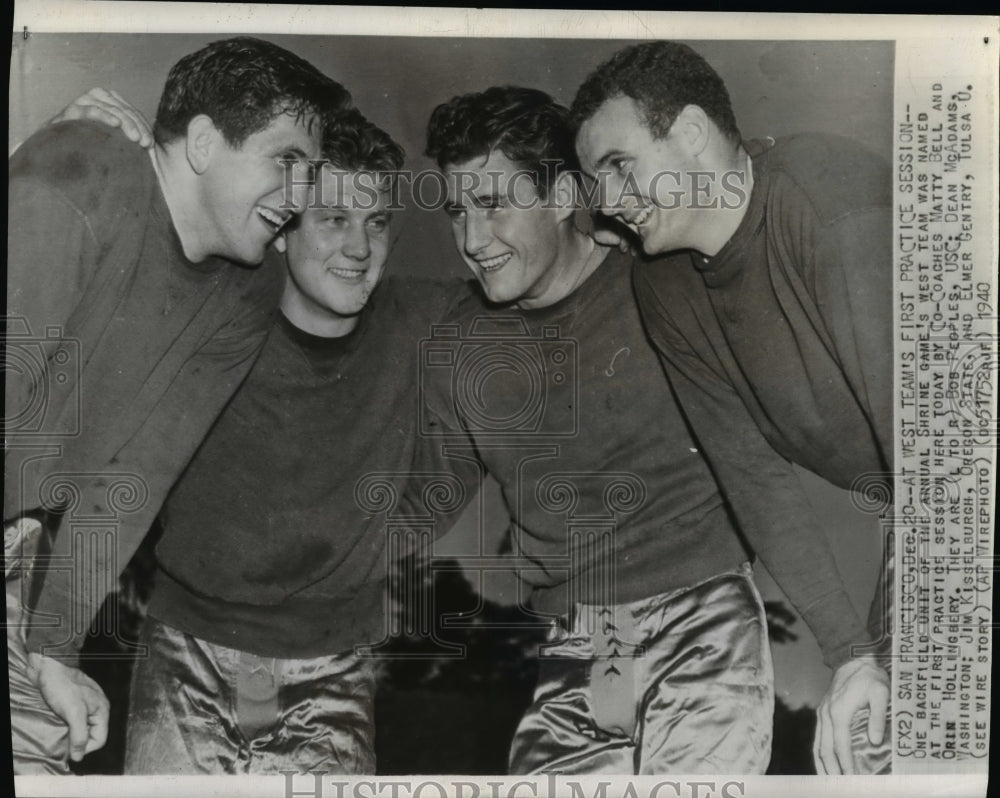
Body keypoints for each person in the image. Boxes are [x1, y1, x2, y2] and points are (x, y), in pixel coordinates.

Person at [409, 85, 871, 775]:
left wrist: (850, 651)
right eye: (456, 211)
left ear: (565, 196)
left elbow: (758, 468)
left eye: (494, 204)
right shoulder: (464, 343)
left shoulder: (661, 283)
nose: (472, 240)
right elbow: (422, 498)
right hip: (579, 645)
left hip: (702, 619)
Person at [47, 94, 462, 773]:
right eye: (333, 219)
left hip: (333, 673)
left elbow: (537, 313)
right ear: (283, 227)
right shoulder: (215, 317)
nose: (361, 247)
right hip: (187, 656)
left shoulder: (420, 322)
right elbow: (115, 474)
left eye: (378, 221)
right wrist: (72, 140)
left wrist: (392, 527)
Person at [4, 37, 349, 773]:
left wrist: (55, 648)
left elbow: (131, 483)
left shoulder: (247, 290)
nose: (301, 195)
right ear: (201, 142)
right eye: (285, 161)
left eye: (311, 173)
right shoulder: (82, 169)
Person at [571, 40, 893, 775]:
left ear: (690, 133)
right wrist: (849, 657)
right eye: (595, 182)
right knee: (869, 740)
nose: (608, 202)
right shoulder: (665, 283)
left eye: (619, 167)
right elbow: (754, 475)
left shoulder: (831, 206)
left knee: (911, 740)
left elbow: (942, 466)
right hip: (925, 497)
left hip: (963, 474)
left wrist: (889, 658)